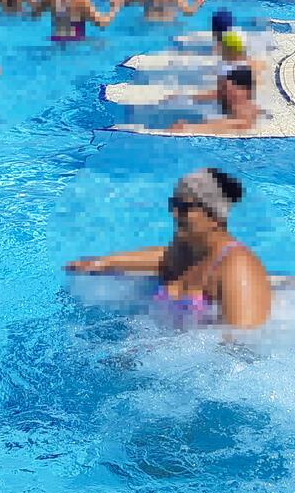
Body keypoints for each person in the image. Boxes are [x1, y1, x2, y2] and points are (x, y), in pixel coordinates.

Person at [65, 168, 271, 328]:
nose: (174, 213)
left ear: (215, 216)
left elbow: (243, 344)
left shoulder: (237, 265)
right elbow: (163, 256)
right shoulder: (187, 250)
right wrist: (103, 262)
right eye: (173, 204)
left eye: (184, 207)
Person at [168, 63, 261, 134]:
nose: (223, 92)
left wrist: (191, 128)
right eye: (223, 88)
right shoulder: (230, 96)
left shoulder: (246, 110)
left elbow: (239, 125)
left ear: (243, 90)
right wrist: (183, 97)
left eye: (226, 88)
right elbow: (214, 94)